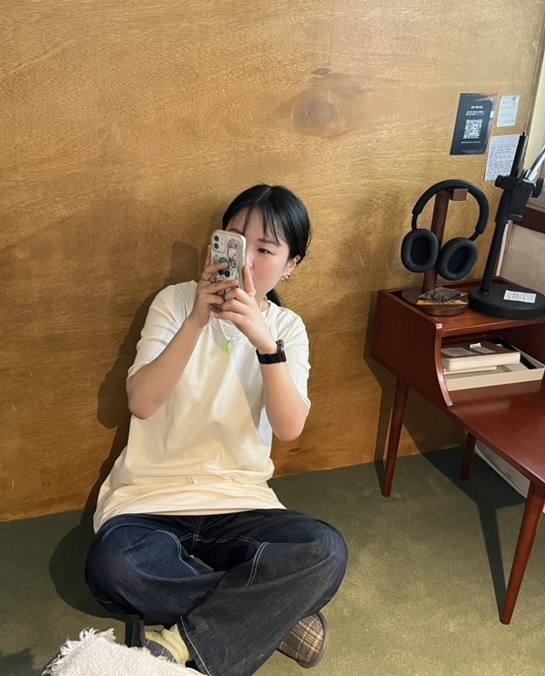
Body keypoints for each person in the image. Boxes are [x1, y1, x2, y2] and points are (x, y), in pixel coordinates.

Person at [84, 184, 348, 676]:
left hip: (240, 499)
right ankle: (272, 615)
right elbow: (142, 404)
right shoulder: (174, 302)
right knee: (112, 565)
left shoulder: (287, 329)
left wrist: (265, 345)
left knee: (325, 552)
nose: (244, 259)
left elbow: (290, 428)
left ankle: (179, 642)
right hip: (151, 499)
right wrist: (196, 322)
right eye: (235, 241)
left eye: (265, 250)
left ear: (291, 265)